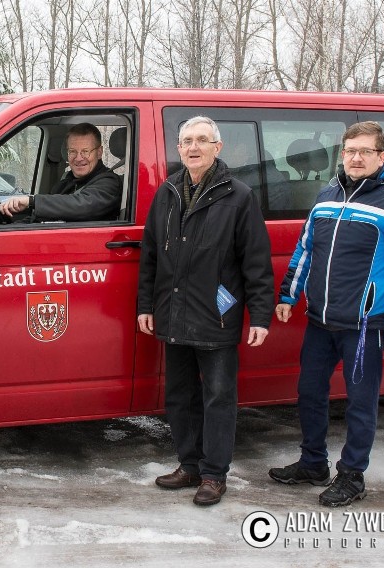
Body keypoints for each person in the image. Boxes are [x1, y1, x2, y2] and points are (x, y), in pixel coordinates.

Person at [268, 121, 384, 507]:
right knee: (309, 393)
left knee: (360, 402)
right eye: (349, 150)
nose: (356, 157)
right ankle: (313, 463)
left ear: (382, 157)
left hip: (365, 326)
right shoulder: (327, 195)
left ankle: (353, 475)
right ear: (342, 153)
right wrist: (288, 295)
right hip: (320, 321)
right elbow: (305, 249)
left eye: (365, 151)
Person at [137, 116, 274, 506]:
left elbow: (256, 263)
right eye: (186, 141)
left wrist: (260, 316)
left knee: (218, 397)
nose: (193, 147)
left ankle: (214, 474)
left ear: (218, 147)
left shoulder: (239, 196)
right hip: (173, 313)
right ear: (178, 149)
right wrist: (146, 305)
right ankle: (189, 465)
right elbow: (150, 256)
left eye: (201, 140)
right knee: (180, 395)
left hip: (217, 316)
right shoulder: (167, 193)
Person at [0, 122, 121, 221]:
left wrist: (32, 201)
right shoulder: (65, 183)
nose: (78, 158)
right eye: (73, 151)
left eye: (85, 151)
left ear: (99, 152)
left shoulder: (110, 183)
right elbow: (38, 218)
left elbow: (81, 205)